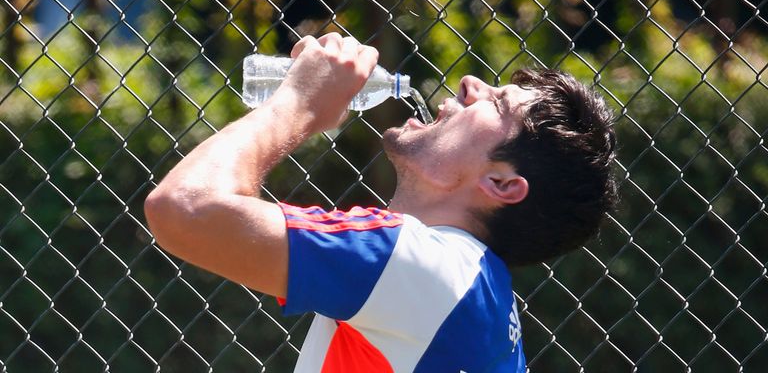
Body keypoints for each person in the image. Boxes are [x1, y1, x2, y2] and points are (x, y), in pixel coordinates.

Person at [144, 32, 617, 372]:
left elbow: (183, 209)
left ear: (501, 184)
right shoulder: (461, 279)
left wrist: (298, 104)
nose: (471, 84)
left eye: (497, 105)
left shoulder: (421, 265)